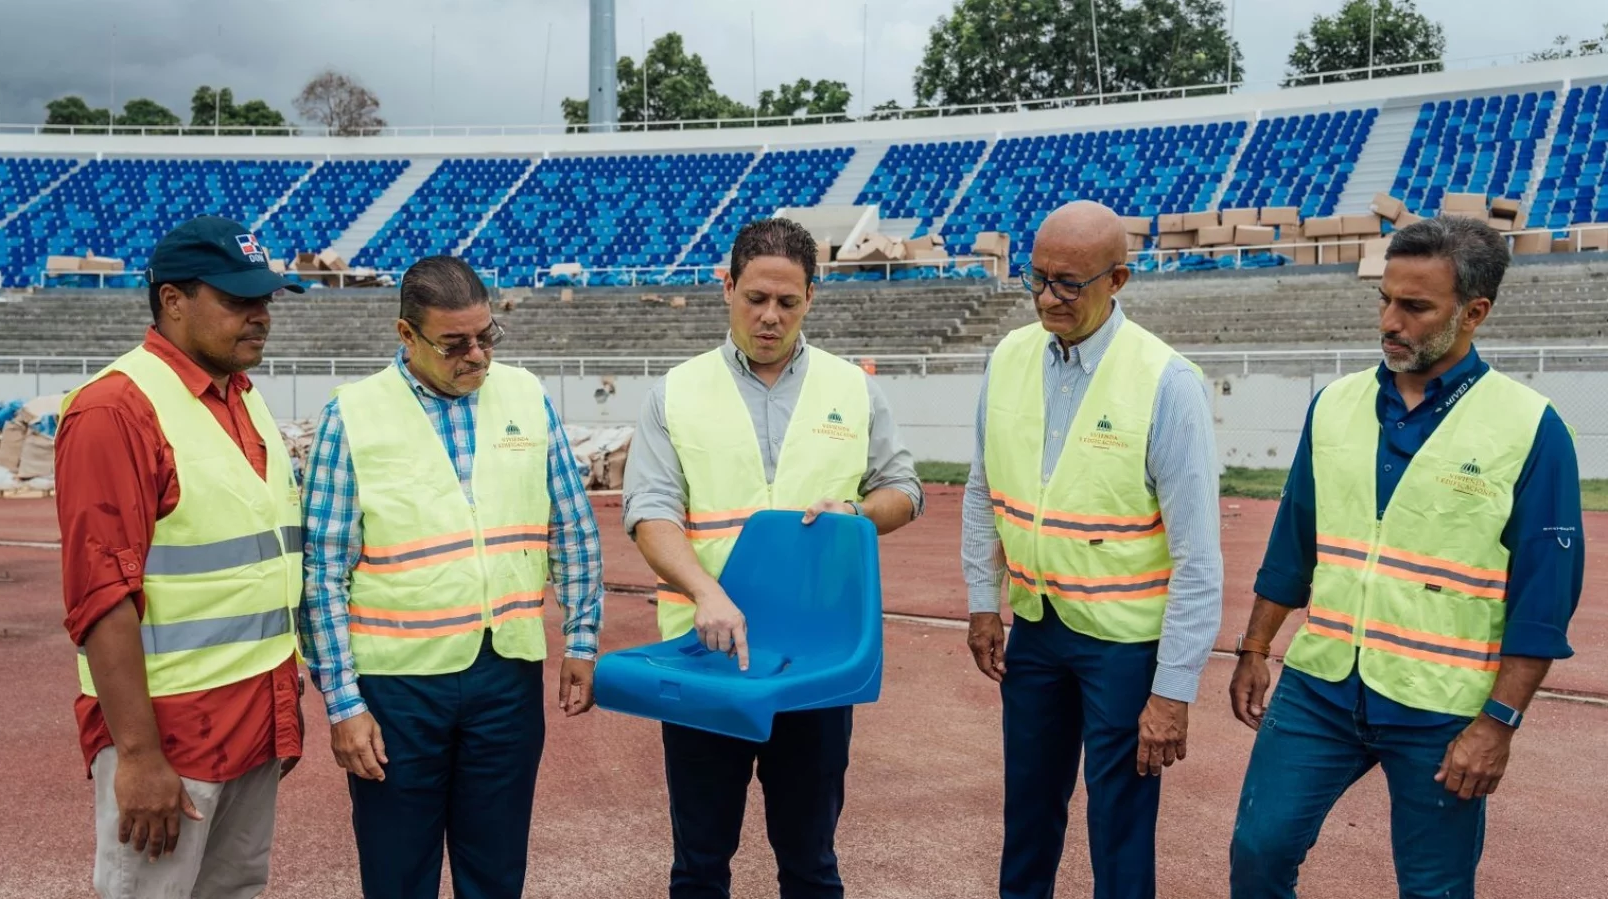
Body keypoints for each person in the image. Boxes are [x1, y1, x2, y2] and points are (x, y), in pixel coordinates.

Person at [1226, 215, 1584, 898]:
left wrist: (1497, 722)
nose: (1389, 321)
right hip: (1320, 688)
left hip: (1441, 705)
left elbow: (1543, 597)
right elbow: (1292, 540)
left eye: (1414, 306)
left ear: (1473, 312)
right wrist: (1253, 647)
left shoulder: (1529, 427)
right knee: (1258, 850)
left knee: (1433, 888)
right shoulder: (1334, 405)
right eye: (1384, 300)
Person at [622, 217, 923, 898]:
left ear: (811, 298)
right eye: (755, 297)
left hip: (816, 662)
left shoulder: (852, 388)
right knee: (699, 864)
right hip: (704, 661)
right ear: (725, 287)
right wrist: (706, 591)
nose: (769, 316)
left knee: (810, 862)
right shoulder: (674, 391)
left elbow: (902, 490)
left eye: (787, 302)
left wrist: (857, 513)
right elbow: (650, 513)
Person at [299, 255, 604, 899]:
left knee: (496, 871)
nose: (477, 356)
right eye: (455, 343)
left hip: (506, 675)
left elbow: (571, 526)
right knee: (398, 873)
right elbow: (321, 573)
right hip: (397, 689)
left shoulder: (526, 397)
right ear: (405, 335)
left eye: (487, 336)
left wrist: (581, 638)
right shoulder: (351, 415)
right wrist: (343, 703)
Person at [961, 200, 1223, 899]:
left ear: (1119, 280)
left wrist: (1173, 688)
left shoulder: (1166, 382)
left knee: (1119, 822)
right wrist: (984, 605)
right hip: (1036, 630)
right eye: (1037, 278)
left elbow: (1198, 555)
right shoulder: (1009, 357)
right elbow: (982, 489)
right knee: (1027, 811)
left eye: (1068, 283)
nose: (1048, 298)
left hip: (1124, 647)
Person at [54, 215, 307, 899]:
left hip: (253, 722)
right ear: (172, 300)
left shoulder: (242, 398)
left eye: (266, 301)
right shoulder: (117, 409)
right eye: (237, 300)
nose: (260, 316)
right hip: (171, 738)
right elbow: (101, 594)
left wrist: (284, 694)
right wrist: (137, 756)